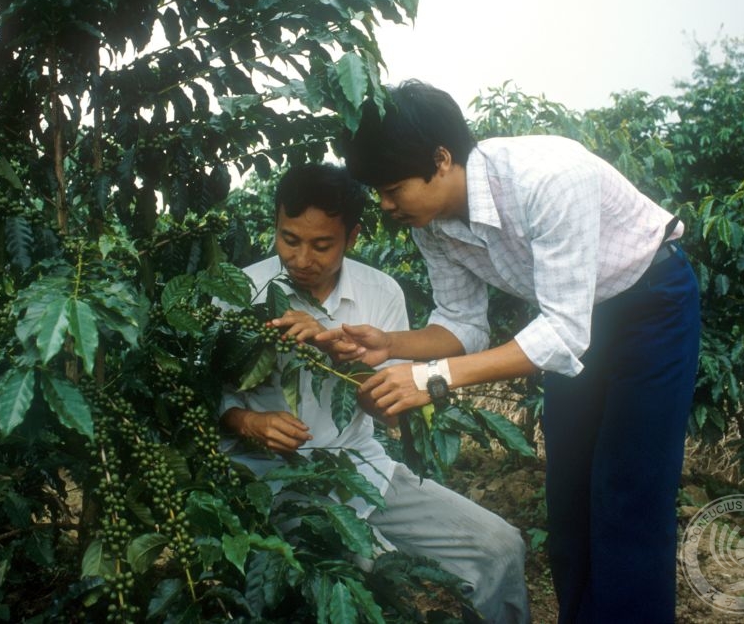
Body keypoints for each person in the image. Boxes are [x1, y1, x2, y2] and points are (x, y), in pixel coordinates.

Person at [323, 80, 701, 624]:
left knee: (629, 496)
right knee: (569, 496)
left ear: (442, 158)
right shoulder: (430, 224)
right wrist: (392, 346)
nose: (386, 205)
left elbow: (563, 336)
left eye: (392, 188)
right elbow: (462, 324)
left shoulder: (547, 179)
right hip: (569, 317)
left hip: (649, 305)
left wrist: (430, 377)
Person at [219, 162, 530, 623]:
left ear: (353, 236)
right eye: (290, 239)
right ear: (276, 226)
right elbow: (204, 398)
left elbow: (385, 407)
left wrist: (334, 347)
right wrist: (249, 422)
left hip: (363, 469)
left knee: (500, 548)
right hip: (269, 479)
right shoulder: (236, 292)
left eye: (322, 245)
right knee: (361, 574)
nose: (303, 259)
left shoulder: (380, 293)